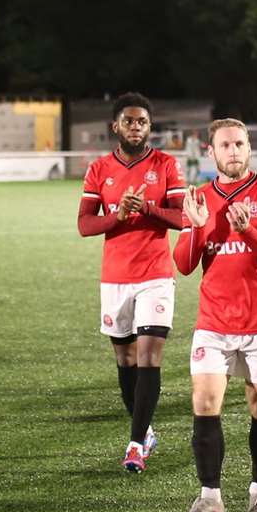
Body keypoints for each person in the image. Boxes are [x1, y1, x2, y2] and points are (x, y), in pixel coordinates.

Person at [173, 119, 257, 512]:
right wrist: (195, 225)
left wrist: (248, 231)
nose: (233, 151)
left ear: (248, 149)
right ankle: (210, 497)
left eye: (240, 144)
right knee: (204, 403)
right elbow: (185, 264)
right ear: (211, 152)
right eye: (225, 145)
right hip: (214, 320)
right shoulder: (200, 197)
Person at [77, 92, 187, 472]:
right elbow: (84, 225)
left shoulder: (167, 165)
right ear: (116, 126)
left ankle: (136, 444)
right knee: (125, 359)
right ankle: (147, 431)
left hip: (155, 275)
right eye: (129, 121)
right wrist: (120, 216)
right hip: (116, 277)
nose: (135, 127)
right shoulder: (98, 169)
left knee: (148, 355)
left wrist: (149, 209)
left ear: (149, 127)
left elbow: (183, 219)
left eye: (142, 121)